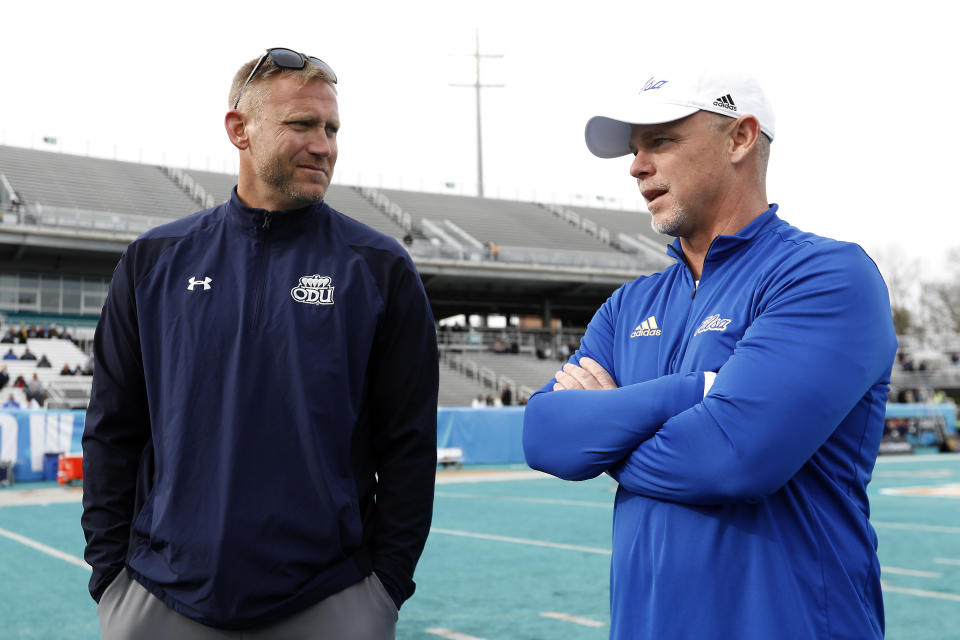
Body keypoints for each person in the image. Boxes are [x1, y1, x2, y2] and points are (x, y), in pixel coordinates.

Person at [522, 70, 896, 640]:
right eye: (634, 148)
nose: (636, 166)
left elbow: (730, 456)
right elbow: (545, 436)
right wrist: (697, 392)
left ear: (740, 138)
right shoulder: (629, 305)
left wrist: (610, 431)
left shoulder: (826, 276)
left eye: (662, 141)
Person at [82, 47, 438, 640]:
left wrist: (384, 587)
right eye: (302, 125)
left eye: (331, 129)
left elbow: (407, 445)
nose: (324, 145)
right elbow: (113, 430)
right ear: (238, 129)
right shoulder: (154, 262)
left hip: (330, 598)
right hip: (158, 596)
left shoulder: (378, 269)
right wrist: (110, 578)